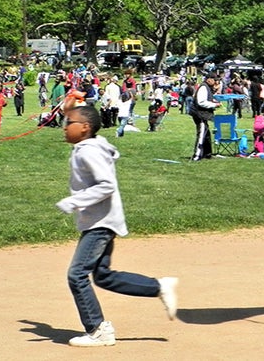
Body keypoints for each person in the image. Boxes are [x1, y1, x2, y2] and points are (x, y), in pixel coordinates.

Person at [55, 104, 178, 347]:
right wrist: (70, 110)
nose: (65, 127)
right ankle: (159, 287)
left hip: (100, 222)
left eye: (69, 123)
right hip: (101, 219)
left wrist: (74, 201)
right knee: (102, 276)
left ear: (85, 128)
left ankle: (98, 329)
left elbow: (106, 185)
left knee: (77, 274)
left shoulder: (88, 152)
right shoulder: (90, 146)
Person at [190, 71, 221, 161]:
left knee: (206, 134)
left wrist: (213, 101)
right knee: (201, 134)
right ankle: (197, 155)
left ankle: (207, 154)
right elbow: (201, 102)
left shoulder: (207, 87)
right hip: (200, 114)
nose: (215, 82)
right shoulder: (203, 87)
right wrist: (214, 105)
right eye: (214, 80)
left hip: (202, 114)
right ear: (209, 79)